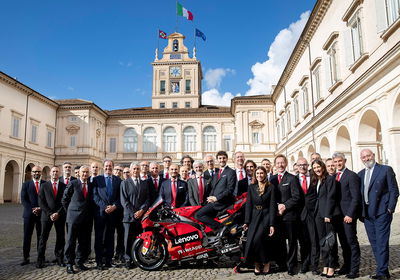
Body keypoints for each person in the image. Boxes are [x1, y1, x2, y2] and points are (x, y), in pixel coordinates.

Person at [358, 149, 399, 280]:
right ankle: (383, 269)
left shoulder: (385, 169)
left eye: (368, 156)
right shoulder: (360, 174)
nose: (366, 158)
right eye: (363, 157)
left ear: (373, 156)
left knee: (381, 242)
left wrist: (390, 209)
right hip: (367, 215)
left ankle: (381, 272)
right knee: (374, 243)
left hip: (382, 212)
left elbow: (394, 190)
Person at [270, 154, 303, 276]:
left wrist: (285, 206)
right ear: (275, 164)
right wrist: (277, 204)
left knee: (292, 242)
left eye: (282, 162)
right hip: (277, 217)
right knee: (280, 242)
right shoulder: (272, 179)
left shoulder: (292, 178)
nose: (280, 165)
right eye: (278, 163)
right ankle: (282, 264)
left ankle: (291, 265)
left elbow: (296, 197)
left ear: (286, 163)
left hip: (290, 216)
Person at [332, 152, 361, 279]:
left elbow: (356, 197)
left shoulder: (351, 175)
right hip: (338, 216)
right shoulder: (333, 176)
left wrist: (350, 214)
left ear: (345, 161)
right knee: (343, 243)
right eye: (336, 162)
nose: (338, 163)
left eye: (340, 161)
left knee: (351, 242)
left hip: (348, 216)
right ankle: (346, 265)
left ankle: (354, 269)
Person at [244, 166, 276, 275]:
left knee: (261, 240)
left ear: (265, 174)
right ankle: (257, 263)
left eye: (261, 173)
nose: (259, 175)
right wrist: (247, 221)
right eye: (257, 173)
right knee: (253, 241)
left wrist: (272, 224)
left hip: (266, 216)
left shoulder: (271, 187)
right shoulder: (251, 187)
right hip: (254, 216)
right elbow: (248, 205)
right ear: (254, 175)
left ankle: (266, 263)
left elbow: (272, 206)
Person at [312, 159, 341, 278]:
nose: (317, 169)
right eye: (314, 168)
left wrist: (328, 214)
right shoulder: (317, 180)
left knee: (330, 241)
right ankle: (325, 264)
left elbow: (331, 197)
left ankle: (332, 266)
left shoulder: (330, 179)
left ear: (322, 167)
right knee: (322, 241)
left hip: (328, 215)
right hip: (318, 214)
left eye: (318, 167)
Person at [62, 166, 94, 274]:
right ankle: (69, 264)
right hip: (73, 218)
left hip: (86, 219)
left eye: (86, 172)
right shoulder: (73, 183)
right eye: (83, 172)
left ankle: (79, 261)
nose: (85, 174)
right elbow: (65, 199)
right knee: (71, 241)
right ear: (79, 173)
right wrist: (70, 212)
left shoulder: (91, 185)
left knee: (83, 241)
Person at [195, 151, 236, 233]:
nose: (222, 160)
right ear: (217, 160)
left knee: (198, 215)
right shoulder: (217, 172)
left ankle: (222, 228)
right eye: (220, 158)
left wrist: (216, 198)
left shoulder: (231, 172)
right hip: (213, 201)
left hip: (222, 202)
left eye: (224, 158)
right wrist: (209, 198)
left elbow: (230, 189)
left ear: (227, 159)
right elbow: (213, 188)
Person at [92, 160, 122, 270]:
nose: (108, 168)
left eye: (110, 166)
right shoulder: (96, 180)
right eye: (106, 166)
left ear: (113, 167)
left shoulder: (118, 180)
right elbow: (95, 196)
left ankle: (109, 260)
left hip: (113, 213)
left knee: (110, 237)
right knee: (99, 238)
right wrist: (105, 207)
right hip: (100, 213)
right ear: (103, 167)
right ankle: (99, 261)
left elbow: (120, 197)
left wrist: (114, 206)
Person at [120, 162, 150, 268]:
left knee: (139, 239)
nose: (136, 171)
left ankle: (137, 258)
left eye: (138, 169)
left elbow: (147, 199)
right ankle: (128, 259)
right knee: (127, 239)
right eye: (134, 169)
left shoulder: (144, 183)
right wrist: (134, 213)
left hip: (141, 216)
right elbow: (124, 201)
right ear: (131, 170)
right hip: (129, 217)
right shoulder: (125, 183)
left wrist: (141, 210)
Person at [37, 166, 67, 268]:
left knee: (60, 238)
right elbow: (41, 201)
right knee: (43, 238)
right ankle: (40, 260)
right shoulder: (44, 186)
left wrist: (58, 213)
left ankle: (59, 258)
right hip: (46, 216)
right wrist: (50, 213)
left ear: (60, 173)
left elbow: (65, 202)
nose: (55, 173)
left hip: (60, 216)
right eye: (53, 171)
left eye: (57, 172)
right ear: (50, 173)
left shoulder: (64, 186)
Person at [296, 158, 319, 275]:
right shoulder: (294, 179)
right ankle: (305, 264)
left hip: (314, 213)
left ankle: (315, 265)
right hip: (300, 215)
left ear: (307, 165)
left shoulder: (315, 177)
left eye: (304, 165)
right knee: (303, 241)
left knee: (314, 240)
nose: (302, 167)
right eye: (300, 165)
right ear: (297, 166)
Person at [20, 165, 45, 266]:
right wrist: (32, 209)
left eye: (38, 171)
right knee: (27, 236)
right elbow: (24, 199)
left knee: (41, 237)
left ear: (41, 173)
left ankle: (41, 257)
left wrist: (40, 208)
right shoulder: (26, 184)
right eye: (34, 172)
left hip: (42, 214)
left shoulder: (45, 184)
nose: (36, 173)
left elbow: (47, 199)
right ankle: (26, 257)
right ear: (31, 173)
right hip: (28, 215)